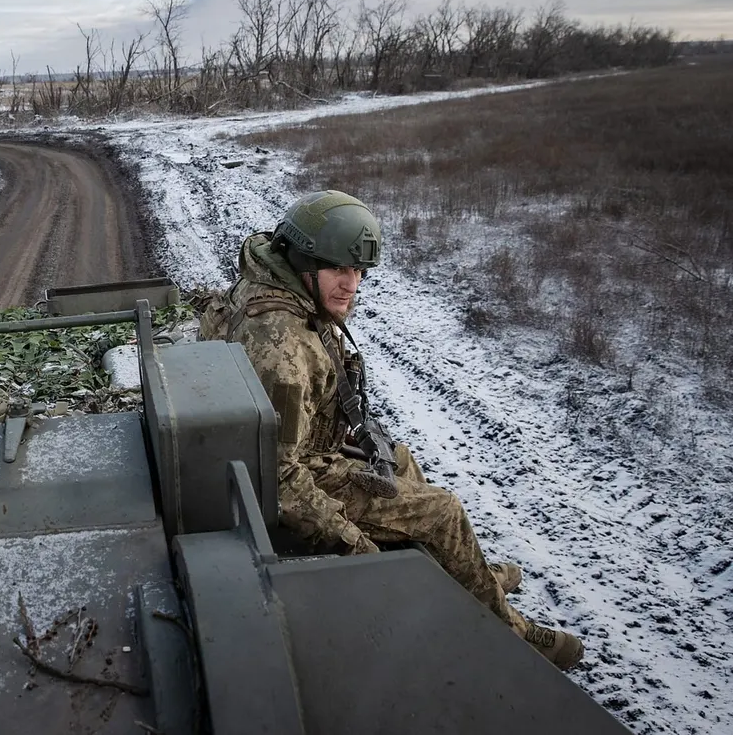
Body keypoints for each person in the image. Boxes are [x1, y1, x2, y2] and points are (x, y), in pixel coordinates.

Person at [198, 189, 584, 671]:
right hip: (286, 483)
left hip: (286, 457)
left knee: (398, 458)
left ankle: (463, 572)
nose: (352, 285)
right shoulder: (283, 347)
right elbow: (278, 478)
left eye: (358, 272)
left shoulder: (265, 288)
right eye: (339, 270)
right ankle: (513, 634)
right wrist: (364, 551)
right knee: (443, 511)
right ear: (302, 263)